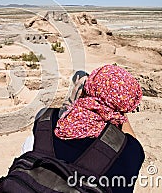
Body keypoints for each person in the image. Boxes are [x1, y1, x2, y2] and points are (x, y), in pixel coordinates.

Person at [22, 64, 145, 193]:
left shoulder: (45, 122)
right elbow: (132, 140)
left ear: (87, 88)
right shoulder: (130, 152)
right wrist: (118, 108)